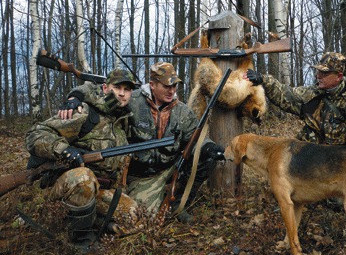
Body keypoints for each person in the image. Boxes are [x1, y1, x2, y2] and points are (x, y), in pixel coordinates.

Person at [61, 62, 225, 223]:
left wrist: (208, 147)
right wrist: (75, 96)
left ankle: (179, 204)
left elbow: (193, 137)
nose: (172, 91)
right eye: (167, 86)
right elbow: (96, 91)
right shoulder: (132, 100)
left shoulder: (182, 111)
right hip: (141, 174)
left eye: (174, 86)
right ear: (152, 85)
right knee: (142, 218)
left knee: (205, 158)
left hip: (170, 165)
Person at [25, 69, 139, 243]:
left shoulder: (123, 122)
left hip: (98, 190)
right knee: (84, 177)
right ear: (106, 88)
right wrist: (64, 150)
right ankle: (80, 241)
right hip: (66, 186)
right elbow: (36, 134)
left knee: (133, 214)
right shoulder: (85, 112)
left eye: (127, 89)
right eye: (117, 87)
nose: (122, 94)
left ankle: (90, 223)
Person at [245, 52, 346, 145]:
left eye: (324, 73)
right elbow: (285, 95)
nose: (318, 76)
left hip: (332, 163)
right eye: (318, 71)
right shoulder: (311, 93)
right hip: (305, 156)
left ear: (339, 76)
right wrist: (263, 79)